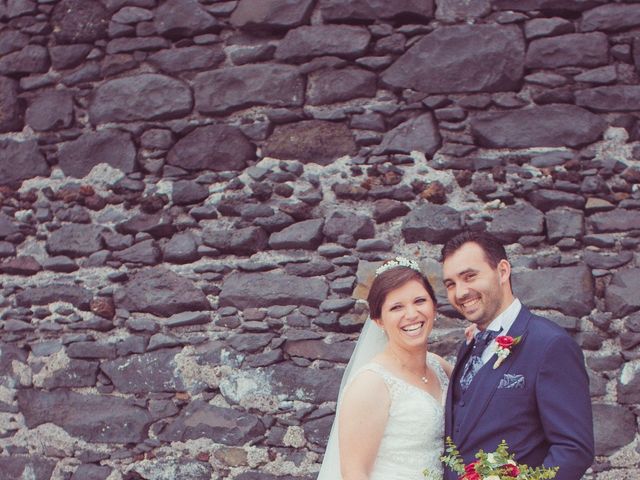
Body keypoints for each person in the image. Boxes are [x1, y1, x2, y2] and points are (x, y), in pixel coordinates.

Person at [441, 231, 594, 480]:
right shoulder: (469, 346)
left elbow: (574, 450)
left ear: (502, 271)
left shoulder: (550, 344)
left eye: (470, 276)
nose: (460, 293)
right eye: (450, 284)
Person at [318, 257, 452, 480]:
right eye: (396, 307)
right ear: (379, 320)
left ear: (434, 307)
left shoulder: (441, 366)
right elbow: (354, 473)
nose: (411, 314)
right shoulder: (371, 383)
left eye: (419, 301)